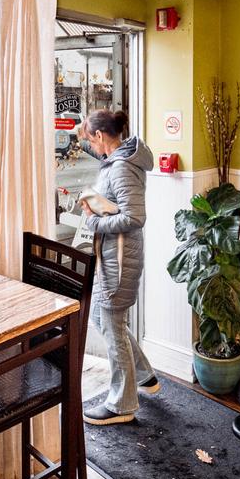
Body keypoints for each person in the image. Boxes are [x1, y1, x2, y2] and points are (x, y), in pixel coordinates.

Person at [79, 109, 159, 425]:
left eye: (91, 140)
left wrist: (95, 222)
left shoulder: (122, 166)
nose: (90, 147)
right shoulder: (115, 158)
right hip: (113, 255)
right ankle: (144, 375)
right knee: (102, 317)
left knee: (112, 326)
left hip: (120, 260)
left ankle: (121, 405)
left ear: (101, 136)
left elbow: (135, 217)